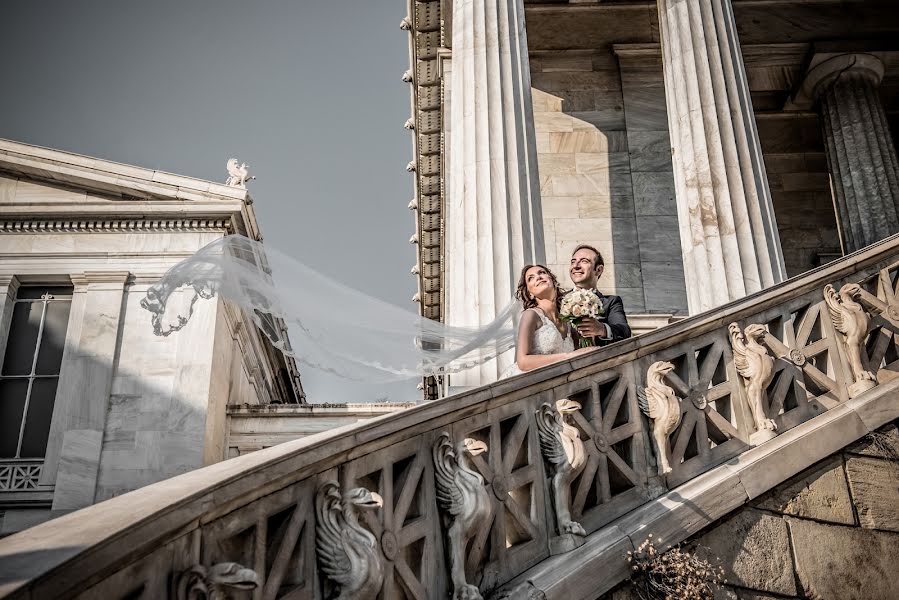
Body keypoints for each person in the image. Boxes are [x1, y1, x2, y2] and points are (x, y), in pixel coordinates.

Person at [506, 264, 597, 376]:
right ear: (530, 294)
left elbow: (582, 353)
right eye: (531, 278)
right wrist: (567, 356)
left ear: (553, 281)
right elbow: (523, 362)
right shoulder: (531, 315)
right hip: (529, 382)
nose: (538, 277)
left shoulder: (568, 322)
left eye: (542, 273)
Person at [568, 244, 631, 346]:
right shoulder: (559, 300)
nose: (576, 266)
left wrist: (602, 329)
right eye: (573, 262)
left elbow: (624, 332)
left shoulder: (611, 302)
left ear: (599, 270)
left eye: (584, 261)